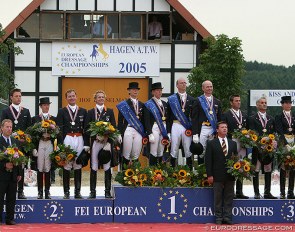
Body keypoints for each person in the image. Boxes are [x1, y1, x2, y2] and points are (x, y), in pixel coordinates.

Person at [85, 90, 119, 199]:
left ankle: (107, 191)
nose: (100, 99)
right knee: (94, 166)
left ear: (105, 98)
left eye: (102, 97)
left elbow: (113, 127)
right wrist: (95, 136)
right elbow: (86, 129)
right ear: (95, 99)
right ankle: (92, 192)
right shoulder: (90, 112)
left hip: (107, 143)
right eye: (98, 97)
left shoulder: (109, 111)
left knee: (107, 166)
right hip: (96, 142)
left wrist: (108, 136)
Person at [1, 88, 31, 199]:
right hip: (9, 143)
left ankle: (21, 191)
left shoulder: (26, 111)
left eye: (20, 96)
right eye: (16, 96)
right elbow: (2, 127)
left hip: (21, 144)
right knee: (9, 164)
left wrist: (26, 138)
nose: (18, 98)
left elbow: (29, 128)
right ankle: (6, 189)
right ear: (11, 98)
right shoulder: (6, 111)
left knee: (20, 165)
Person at [56, 89, 87, 199]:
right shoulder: (62, 111)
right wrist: (60, 144)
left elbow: (86, 128)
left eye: (73, 96)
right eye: (69, 96)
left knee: (78, 164)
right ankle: (66, 192)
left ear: (76, 96)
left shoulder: (83, 111)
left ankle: (77, 192)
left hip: (79, 138)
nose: (72, 98)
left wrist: (86, 144)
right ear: (66, 98)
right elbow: (59, 129)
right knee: (67, 164)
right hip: (68, 138)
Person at [205, 121, 237, 225]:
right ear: (217, 130)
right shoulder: (211, 143)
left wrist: (236, 171)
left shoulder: (233, 143)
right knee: (217, 197)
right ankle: (218, 218)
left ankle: (227, 217)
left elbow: (235, 159)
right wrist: (209, 175)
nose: (224, 129)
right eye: (222, 127)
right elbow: (208, 160)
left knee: (229, 196)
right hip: (217, 174)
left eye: (226, 127)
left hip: (230, 175)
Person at [248, 96, 277, 199]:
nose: (264, 104)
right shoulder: (252, 118)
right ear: (257, 105)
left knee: (268, 169)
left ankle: (267, 192)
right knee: (256, 169)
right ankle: (256, 192)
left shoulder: (271, 118)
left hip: (268, 149)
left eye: (265, 102)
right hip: (257, 148)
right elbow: (251, 133)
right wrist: (260, 142)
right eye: (262, 102)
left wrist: (272, 142)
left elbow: (274, 133)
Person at [222, 95, 249, 199]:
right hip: (231, 141)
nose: (238, 102)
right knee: (232, 165)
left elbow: (247, 129)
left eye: (239, 101)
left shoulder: (245, 115)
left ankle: (239, 190)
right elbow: (224, 128)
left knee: (242, 165)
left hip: (242, 143)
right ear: (231, 102)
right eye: (236, 101)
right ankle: (230, 191)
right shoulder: (226, 114)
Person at [167, 77, 194, 168]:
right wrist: (168, 132)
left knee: (188, 148)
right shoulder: (172, 99)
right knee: (174, 147)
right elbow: (169, 117)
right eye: (181, 83)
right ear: (177, 85)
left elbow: (193, 116)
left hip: (186, 126)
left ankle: (189, 171)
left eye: (185, 83)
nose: (184, 84)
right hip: (175, 124)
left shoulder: (191, 99)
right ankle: (172, 171)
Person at [192, 80, 222, 164]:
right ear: (203, 88)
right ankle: (201, 171)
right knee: (201, 151)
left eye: (211, 86)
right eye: (207, 87)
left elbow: (220, 119)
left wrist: (218, 131)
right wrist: (195, 133)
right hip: (202, 128)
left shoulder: (217, 101)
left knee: (213, 150)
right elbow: (194, 118)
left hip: (213, 129)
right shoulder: (198, 100)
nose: (209, 88)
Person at [31, 97, 56, 199]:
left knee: (48, 167)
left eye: (48, 105)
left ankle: (47, 191)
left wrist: (53, 138)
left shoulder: (53, 118)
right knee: (40, 167)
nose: (46, 106)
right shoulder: (36, 118)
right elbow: (32, 134)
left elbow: (57, 133)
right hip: (40, 143)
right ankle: (40, 191)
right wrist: (33, 147)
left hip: (49, 143)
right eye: (44, 105)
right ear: (41, 106)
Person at [117, 82, 145, 168]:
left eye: (137, 89)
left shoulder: (142, 104)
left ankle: (135, 176)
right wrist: (119, 133)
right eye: (133, 89)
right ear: (129, 91)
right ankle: (124, 176)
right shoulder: (124, 104)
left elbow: (143, 120)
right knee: (126, 153)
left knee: (136, 154)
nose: (135, 91)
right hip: (128, 129)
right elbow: (120, 120)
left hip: (138, 130)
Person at [0, 119, 22, 225]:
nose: (9, 129)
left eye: (10, 127)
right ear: (2, 128)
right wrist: (4, 165)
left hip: (13, 175)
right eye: (7, 127)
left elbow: (20, 158)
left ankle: (10, 218)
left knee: (11, 198)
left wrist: (19, 173)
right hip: (1, 175)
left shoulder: (15, 141)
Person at [144, 82, 170, 166]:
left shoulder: (165, 103)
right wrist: (149, 133)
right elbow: (146, 120)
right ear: (153, 92)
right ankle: (152, 170)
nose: (159, 92)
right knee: (154, 150)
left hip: (163, 127)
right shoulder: (148, 104)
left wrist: (168, 131)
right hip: (154, 127)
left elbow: (168, 118)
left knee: (161, 149)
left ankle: (160, 171)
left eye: (160, 90)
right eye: (157, 90)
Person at [275, 96, 295, 199]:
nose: (288, 105)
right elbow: (279, 131)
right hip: (284, 143)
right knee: (283, 167)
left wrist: (293, 144)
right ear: (282, 104)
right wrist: (286, 144)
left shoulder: (294, 116)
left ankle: (290, 191)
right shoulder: (278, 116)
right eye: (286, 103)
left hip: (294, 144)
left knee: (292, 167)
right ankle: (282, 191)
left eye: (289, 103)